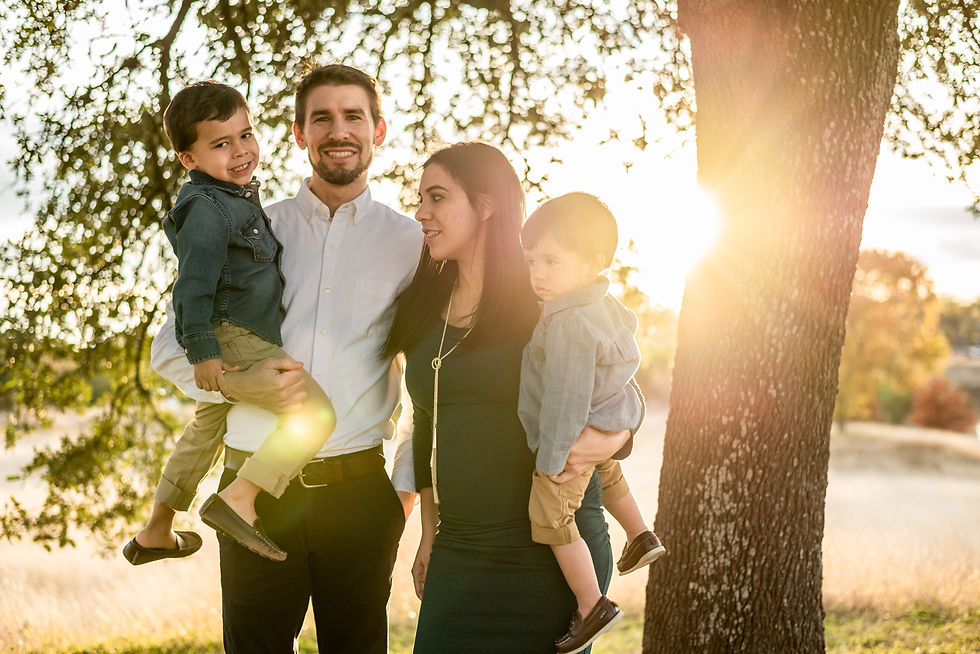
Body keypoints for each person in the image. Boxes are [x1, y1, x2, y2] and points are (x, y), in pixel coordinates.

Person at [150, 64, 423, 654]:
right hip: (253, 501)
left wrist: (404, 490)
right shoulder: (248, 224)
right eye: (320, 117)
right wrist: (238, 384)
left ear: (379, 128)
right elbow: (167, 346)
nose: (338, 130)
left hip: (360, 496)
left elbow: (433, 375)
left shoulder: (413, 244)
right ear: (299, 133)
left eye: (353, 116)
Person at [383, 142, 635, 653]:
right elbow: (427, 425)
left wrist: (618, 436)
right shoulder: (422, 306)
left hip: (551, 549)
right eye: (420, 198)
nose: (421, 213)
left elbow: (617, 384)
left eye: (437, 197)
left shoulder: (548, 292)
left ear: (485, 206)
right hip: (460, 551)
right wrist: (429, 536)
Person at [123, 80, 337, 566]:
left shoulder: (236, 197)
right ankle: (240, 499)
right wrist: (204, 356)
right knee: (316, 413)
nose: (241, 151)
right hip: (237, 335)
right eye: (221, 144)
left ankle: (158, 527)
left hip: (236, 332)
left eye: (246, 134)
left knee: (204, 428)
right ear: (189, 159)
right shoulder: (207, 208)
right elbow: (191, 286)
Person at [519, 192, 667, 654]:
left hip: (573, 436)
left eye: (551, 261)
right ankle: (641, 535)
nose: (538, 274)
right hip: (607, 420)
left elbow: (565, 398)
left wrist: (552, 460)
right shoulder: (604, 304)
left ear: (593, 263)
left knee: (550, 515)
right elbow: (629, 332)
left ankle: (591, 605)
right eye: (531, 262)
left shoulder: (566, 323)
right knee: (609, 469)